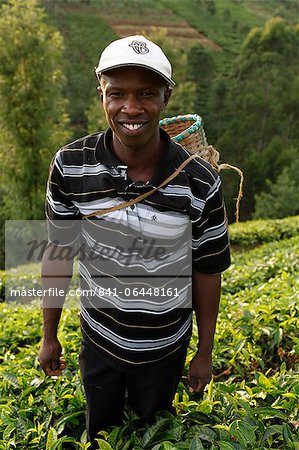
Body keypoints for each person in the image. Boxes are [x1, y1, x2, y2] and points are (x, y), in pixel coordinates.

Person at [38, 35, 231, 448]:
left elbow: (207, 269)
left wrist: (204, 350)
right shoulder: (71, 166)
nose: (131, 108)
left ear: (166, 97)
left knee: (153, 433)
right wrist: (48, 333)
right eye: (118, 94)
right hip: (99, 339)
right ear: (102, 95)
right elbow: (58, 253)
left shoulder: (198, 181)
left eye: (146, 94)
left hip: (166, 347)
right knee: (101, 435)